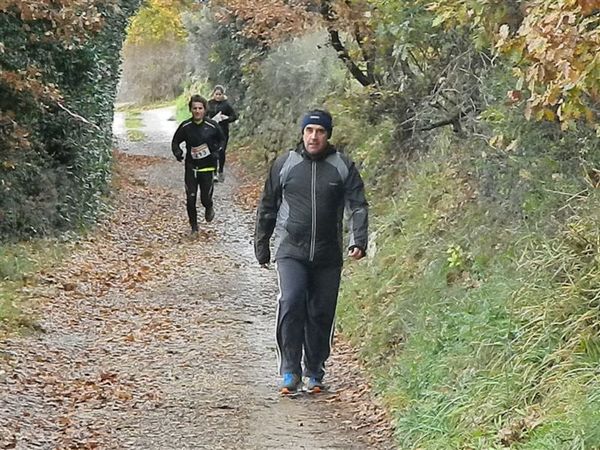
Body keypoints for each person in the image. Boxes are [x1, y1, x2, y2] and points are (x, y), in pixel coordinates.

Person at [254, 109, 369, 395]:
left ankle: (315, 370)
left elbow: (358, 205)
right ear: (302, 133)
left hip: (328, 253)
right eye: (309, 131)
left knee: (320, 312)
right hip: (291, 248)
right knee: (292, 302)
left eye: (319, 131)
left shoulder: (342, 166)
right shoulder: (285, 164)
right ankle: (290, 370)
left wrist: (359, 240)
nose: (313, 136)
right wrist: (262, 244)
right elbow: (268, 205)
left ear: (328, 135)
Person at [171, 94, 224, 234]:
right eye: (194, 108)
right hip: (191, 167)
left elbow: (222, 140)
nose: (197, 111)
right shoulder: (186, 126)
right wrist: (178, 153)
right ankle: (194, 228)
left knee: (205, 197)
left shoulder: (212, 126)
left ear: (205, 110)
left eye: (200, 108)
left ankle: (209, 206)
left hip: (207, 167)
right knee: (191, 198)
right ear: (191, 110)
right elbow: (175, 141)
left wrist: (216, 151)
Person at [207, 85, 238, 182]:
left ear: (223, 95)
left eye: (220, 94)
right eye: (216, 94)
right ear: (213, 94)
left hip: (223, 132)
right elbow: (204, 115)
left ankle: (221, 170)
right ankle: (214, 172)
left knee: (221, 151)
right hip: (212, 132)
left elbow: (234, 116)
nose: (218, 96)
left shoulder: (226, 105)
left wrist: (227, 118)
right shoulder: (209, 104)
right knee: (213, 152)